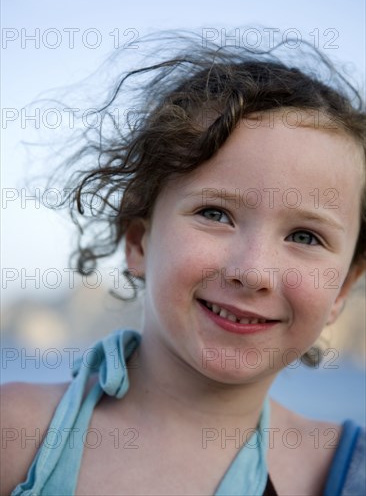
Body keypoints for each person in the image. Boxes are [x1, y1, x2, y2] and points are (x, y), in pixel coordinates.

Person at [1, 32, 365, 496]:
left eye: (305, 236)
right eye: (215, 214)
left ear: (340, 290)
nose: (252, 272)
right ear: (138, 240)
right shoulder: (18, 436)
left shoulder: (348, 473)